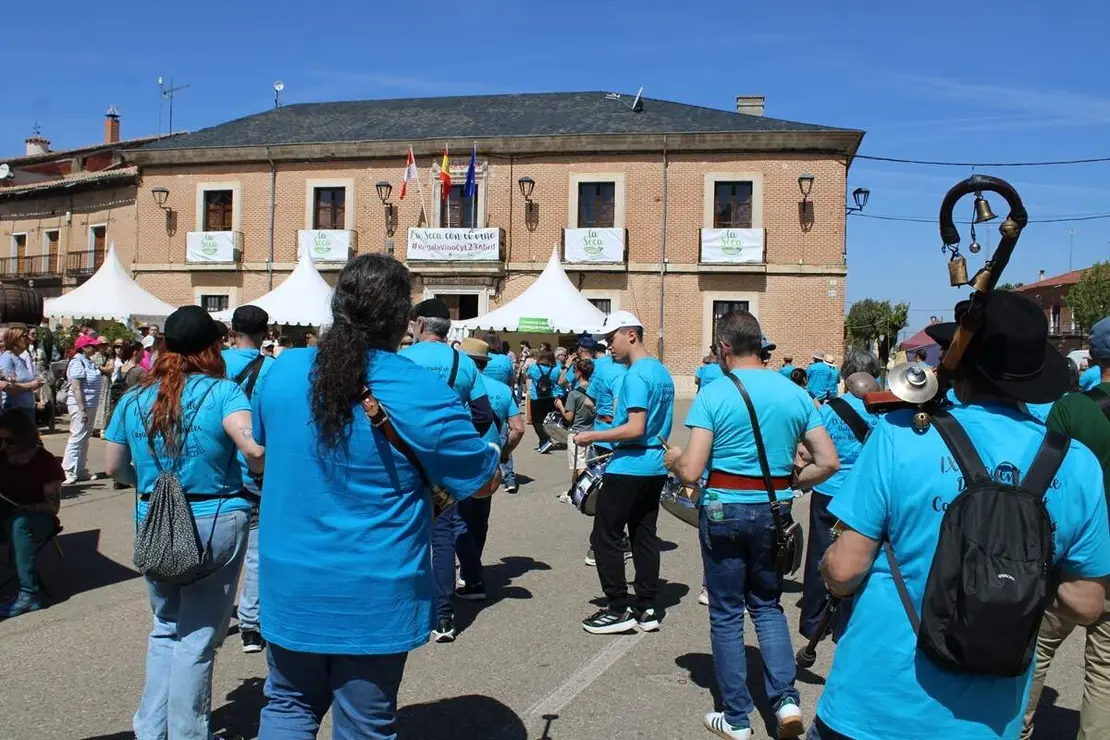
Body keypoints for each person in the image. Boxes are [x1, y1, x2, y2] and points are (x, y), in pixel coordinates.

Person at [816, 291, 1110, 740]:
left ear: (963, 365)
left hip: (876, 704)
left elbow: (844, 570)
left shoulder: (900, 435)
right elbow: (1085, 603)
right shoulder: (1076, 462)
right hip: (989, 719)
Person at [251, 255, 499, 739]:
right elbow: (482, 481)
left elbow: (261, 448)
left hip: (290, 580)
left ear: (337, 307)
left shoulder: (281, 372)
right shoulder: (423, 390)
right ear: (404, 321)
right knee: (365, 722)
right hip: (375, 590)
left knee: (287, 706)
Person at [665, 309, 839, 740]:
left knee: (726, 613)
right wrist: (793, 482)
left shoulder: (714, 394)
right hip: (774, 510)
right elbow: (828, 461)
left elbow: (692, 471)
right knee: (767, 605)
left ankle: (737, 717)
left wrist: (674, 459)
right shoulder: (795, 393)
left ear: (724, 348)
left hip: (724, 510)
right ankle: (786, 701)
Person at [103, 305, 265, 740]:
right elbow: (251, 449)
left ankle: (151, 729)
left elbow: (114, 466)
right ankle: (188, 734)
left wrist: (152, 484)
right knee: (196, 637)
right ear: (213, 347)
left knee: (165, 628)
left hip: (154, 517)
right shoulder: (224, 393)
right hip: (215, 517)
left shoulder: (135, 397)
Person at [1023, 315, 1110, 740]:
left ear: (1092, 356)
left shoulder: (1070, 409)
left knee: (1035, 649)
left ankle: (1014, 727)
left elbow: (1044, 480)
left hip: (1073, 556)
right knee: (1106, 666)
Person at [401, 298, 496, 643]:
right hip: (444, 462)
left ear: (420, 325)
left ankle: (401, 607)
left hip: (405, 456)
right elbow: (483, 415)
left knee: (401, 530)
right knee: (442, 536)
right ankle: (443, 617)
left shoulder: (404, 360)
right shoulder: (463, 362)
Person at [573, 311, 674, 635]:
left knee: (606, 536)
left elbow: (635, 428)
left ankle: (618, 607)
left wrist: (592, 435)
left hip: (629, 464)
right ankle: (647, 606)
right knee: (644, 535)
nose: (608, 346)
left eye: (611, 338)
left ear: (631, 335)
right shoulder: (661, 372)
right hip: (655, 464)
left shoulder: (635, 375)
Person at [799, 350, 881, 646]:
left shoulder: (829, 409)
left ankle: (813, 620)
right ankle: (845, 623)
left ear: (846, 376)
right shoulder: (881, 410)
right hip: (862, 493)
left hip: (828, 489)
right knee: (858, 556)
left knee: (819, 554)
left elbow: (808, 450)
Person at [222, 305, 276, 654]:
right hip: (257, 467)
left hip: (217, 469)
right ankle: (252, 626)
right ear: (265, 334)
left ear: (232, 331)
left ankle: (212, 616)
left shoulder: (214, 365)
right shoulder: (273, 369)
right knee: (256, 552)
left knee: (219, 550)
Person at [457, 338, 524, 597]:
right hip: (490, 459)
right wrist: (505, 452)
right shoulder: (503, 390)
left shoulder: (457, 387)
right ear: (485, 362)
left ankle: (472, 576)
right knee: (479, 518)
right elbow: (518, 428)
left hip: (461, 458)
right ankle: (471, 569)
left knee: (458, 519)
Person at [0, 409, 63, 618]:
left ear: (23, 438)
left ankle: (29, 594)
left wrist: (29, 507)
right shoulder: (2, 455)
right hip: (8, 511)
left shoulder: (44, 461)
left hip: (39, 518)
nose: (4, 445)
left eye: (9, 441)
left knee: (19, 524)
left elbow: (53, 507)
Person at [63, 335, 106, 484]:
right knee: (77, 436)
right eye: (92, 346)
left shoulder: (88, 361)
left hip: (91, 404)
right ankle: (68, 470)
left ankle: (80, 469)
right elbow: (76, 387)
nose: (95, 348)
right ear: (84, 347)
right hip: (80, 405)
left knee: (85, 437)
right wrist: (82, 409)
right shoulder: (77, 362)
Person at [558, 357, 596, 484]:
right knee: (579, 466)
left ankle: (584, 490)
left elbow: (569, 417)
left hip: (576, 432)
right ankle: (573, 491)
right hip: (592, 431)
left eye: (574, 371)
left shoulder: (573, 394)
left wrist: (560, 406)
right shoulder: (595, 390)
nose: (573, 373)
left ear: (579, 373)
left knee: (580, 468)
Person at [1, 326, 45, 427]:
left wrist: (37, 383)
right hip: (15, 410)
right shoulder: (7, 358)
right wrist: (32, 385)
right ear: (15, 339)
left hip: (26, 409)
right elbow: (8, 387)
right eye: (25, 336)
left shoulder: (20, 359)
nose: (28, 339)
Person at [527, 348, 562, 453]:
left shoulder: (534, 367)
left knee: (537, 421)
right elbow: (558, 379)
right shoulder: (556, 368)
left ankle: (545, 440)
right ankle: (544, 442)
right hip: (551, 396)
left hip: (536, 397)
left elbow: (528, 375)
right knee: (549, 421)